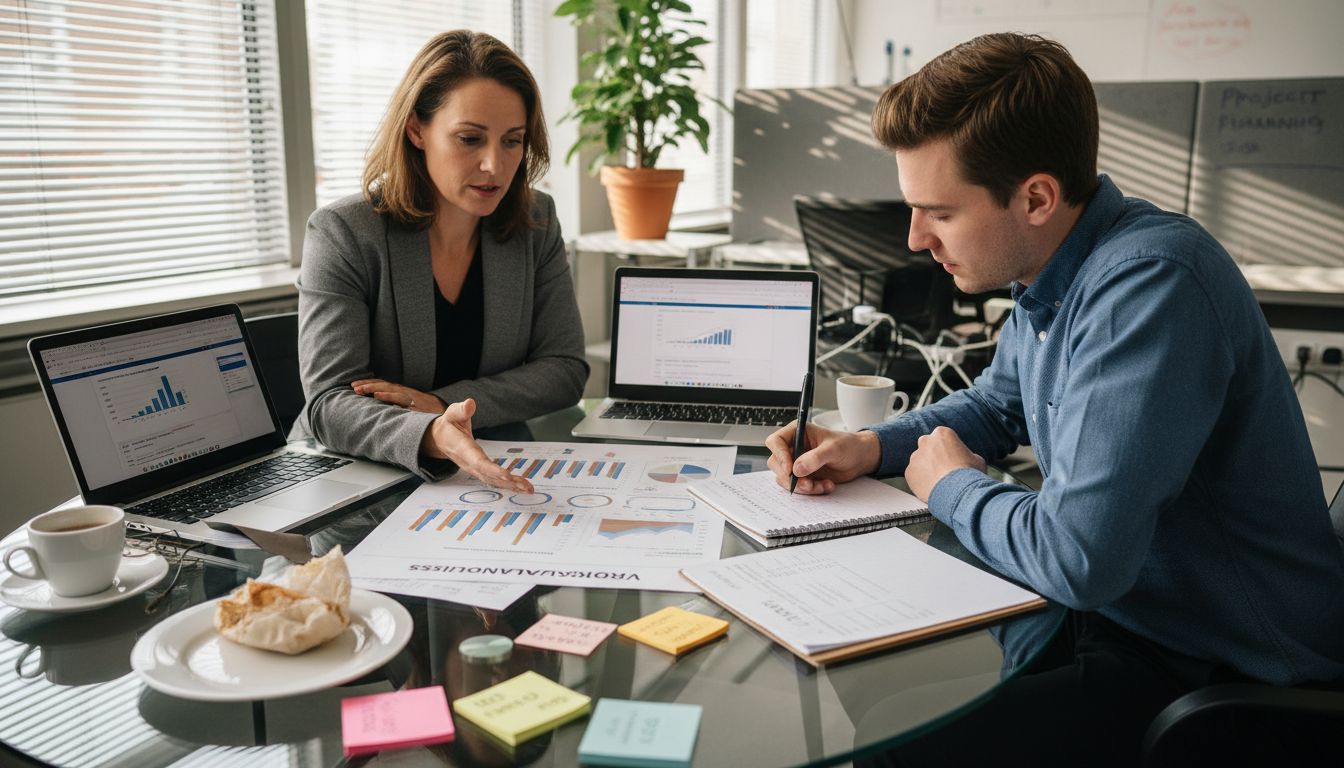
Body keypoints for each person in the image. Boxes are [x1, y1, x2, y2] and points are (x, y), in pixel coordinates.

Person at [766, 32, 1344, 766]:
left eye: (938, 212)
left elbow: (1077, 559)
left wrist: (951, 487)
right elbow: (994, 408)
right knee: (871, 677)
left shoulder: (1151, 285)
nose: (915, 239)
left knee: (898, 742)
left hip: (1220, 666)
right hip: (1124, 617)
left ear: (1035, 197)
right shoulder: (1054, 276)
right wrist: (874, 447)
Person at [294, 31, 587, 491]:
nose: (495, 165)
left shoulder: (536, 219)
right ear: (416, 130)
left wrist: (438, 403)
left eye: (513, 141)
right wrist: (432, 433)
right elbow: (329, 403)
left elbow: (564, 370)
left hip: (493, 464)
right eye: (470, 139)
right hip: (360, 475)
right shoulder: (344, 232)